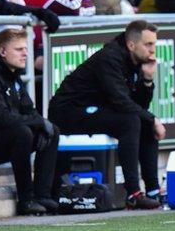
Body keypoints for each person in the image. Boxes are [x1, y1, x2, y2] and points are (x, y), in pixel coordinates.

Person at [48, 20, 166, 210]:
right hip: (68, 112)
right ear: (131, 44)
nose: (153, 50)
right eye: (148, 44)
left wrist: (147, 80)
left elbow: (137, 105)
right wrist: (152, 118)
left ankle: (153, 190)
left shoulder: (135, 60)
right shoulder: (110, 58)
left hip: (94, 109)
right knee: (132, 121)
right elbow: (121, 101)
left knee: (143, 122)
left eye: (154, 44)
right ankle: (134, 194)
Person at [0, 29, 60, 215]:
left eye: (26, 48)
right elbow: (1, 118)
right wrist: (36, 122)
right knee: (22, 132)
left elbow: (28, 110)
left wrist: (40, 123)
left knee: (51, 130)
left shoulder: (12, 75)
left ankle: (42, 196)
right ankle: (26, 200)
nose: (26, 53)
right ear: (3, 51)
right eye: (19, 49)